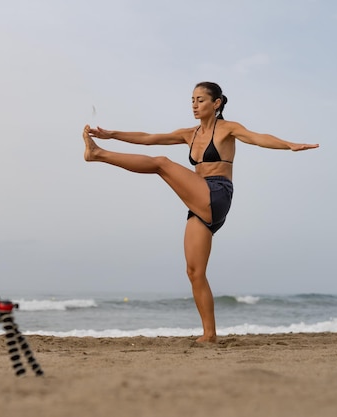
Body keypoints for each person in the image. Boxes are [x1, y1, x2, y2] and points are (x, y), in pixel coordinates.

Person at [82, 81, 319, 343]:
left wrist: (289, 145)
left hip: (217, 193)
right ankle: (210, 334)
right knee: (194, 272)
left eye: (201, 100)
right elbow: (149, 138)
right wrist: (112, 133)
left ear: (216, 103)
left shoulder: (228, 129)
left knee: (161, 164)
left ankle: (98, 155)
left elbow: (258, 138)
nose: (195, 105)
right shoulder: (189, 134)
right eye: (192, 100)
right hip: (198, 202)